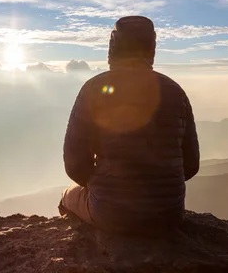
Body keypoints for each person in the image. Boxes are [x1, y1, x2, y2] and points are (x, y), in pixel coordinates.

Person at [59, 16, 199, 235]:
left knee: (67, 195)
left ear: (113, 46)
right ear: (152, 47)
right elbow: (190, 164)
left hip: (110, 213)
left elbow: (74, 164)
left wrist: (105, 185)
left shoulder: (94, 88)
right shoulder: (175, 91)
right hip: (169, 214)